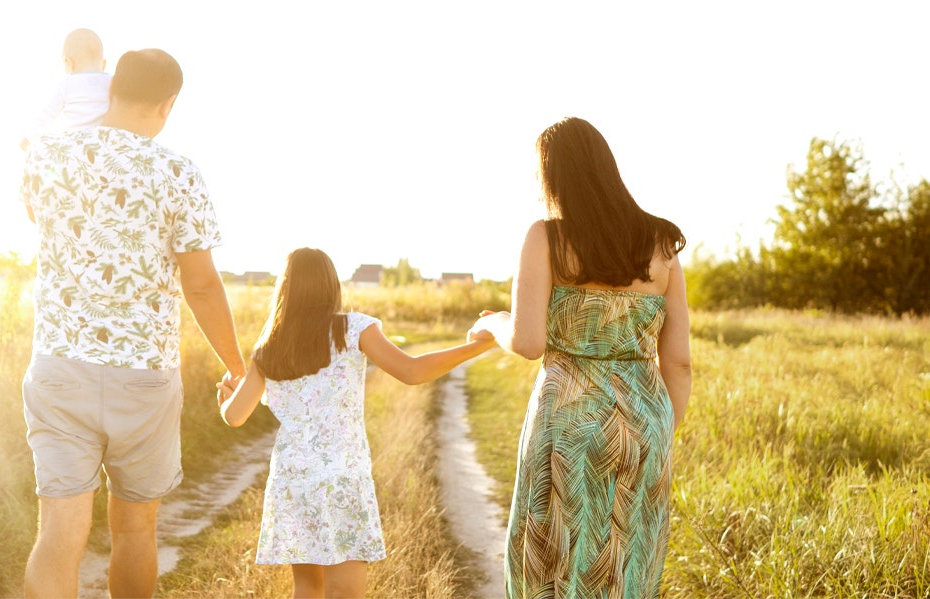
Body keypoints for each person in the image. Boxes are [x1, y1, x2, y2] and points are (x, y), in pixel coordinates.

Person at [19, 48, 246, 599]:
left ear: (110, 87)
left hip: (59, 367)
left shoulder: (47, 156)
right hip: (143, 376)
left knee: (59, 533)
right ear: (169, 104)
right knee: (135, 529)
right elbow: (201, 284)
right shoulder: (178, 172)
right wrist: (237, 366)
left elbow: (37, 213)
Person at [473, 117, 691, 598]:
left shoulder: (546, 237)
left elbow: (528, 343)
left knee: (553, 559)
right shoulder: (661, 244)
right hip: (645, 424)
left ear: (554, 177)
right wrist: (655, 434)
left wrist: (492, 324)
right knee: (625, 564)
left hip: (567, 423)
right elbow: (678, 362)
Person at [216, 247, 497, 599]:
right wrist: (477, 346)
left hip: (292, 480)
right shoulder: (353, 329)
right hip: (342, 478)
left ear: (284, 289)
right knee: (344, 591)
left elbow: (235, 416)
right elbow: (412, 371)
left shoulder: (268, 347)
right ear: (331, 285)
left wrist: (226, 398)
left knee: (306, 586)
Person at [19, 28, 114, 151]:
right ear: (104, 63)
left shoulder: (66, 84)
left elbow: (48, 114)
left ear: (68, 62)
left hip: (75, 147)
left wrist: (29, 138)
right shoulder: (113, 81)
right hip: (104, 145)